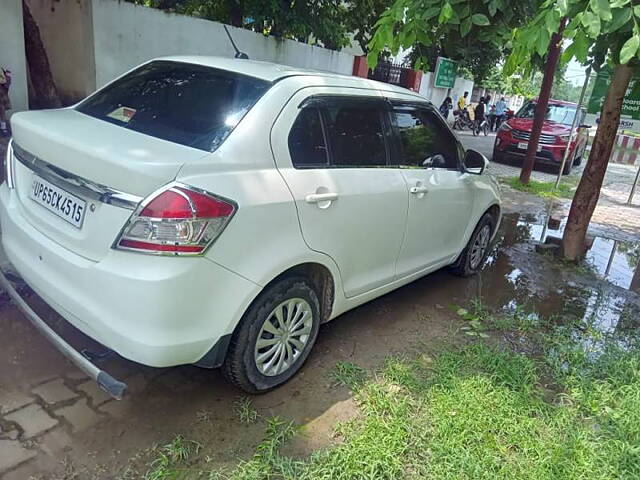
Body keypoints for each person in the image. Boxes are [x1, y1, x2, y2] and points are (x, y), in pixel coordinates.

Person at [0, 68, 11, 137]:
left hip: (1, 95)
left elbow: (6, 84)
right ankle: (3, 129)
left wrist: (8, 76)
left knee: (2, 111)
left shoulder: (1, 70)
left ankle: (3, 129)